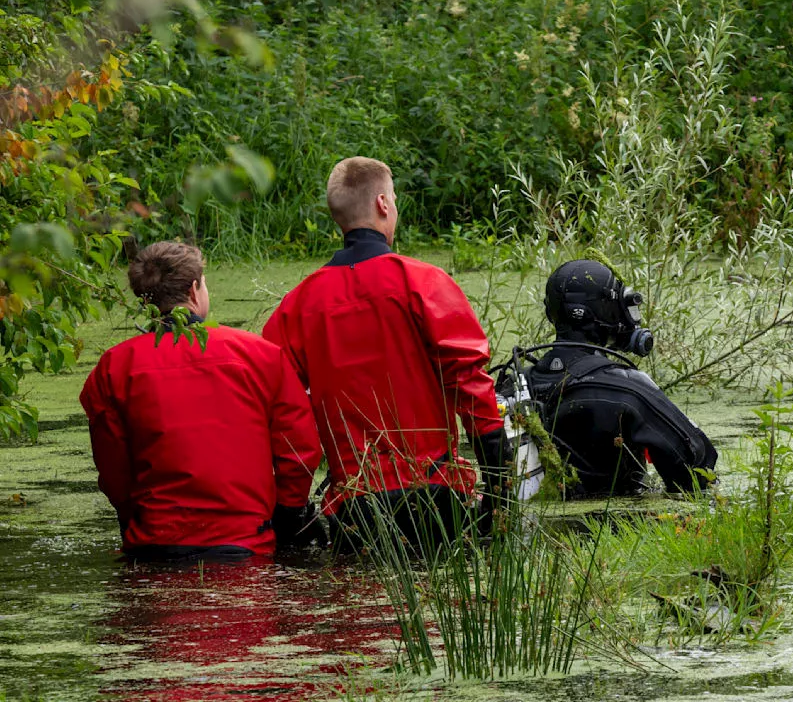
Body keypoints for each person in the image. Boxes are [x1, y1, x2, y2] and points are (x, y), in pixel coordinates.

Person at [262, 157, 508, 551]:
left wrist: (290, 511)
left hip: (354, 509)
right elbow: (471, 385)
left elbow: (284, 415)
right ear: (382, 204)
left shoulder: (298, 306)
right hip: (436, 497)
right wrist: (500, 489)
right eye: (393, 198)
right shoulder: (423, 282)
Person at [80, 242, 325, 562]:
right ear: (195, 290)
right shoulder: (261, 356)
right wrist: (289, 515)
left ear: (144, 301)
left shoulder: (113, 369)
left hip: (155, 545)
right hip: (243, 544)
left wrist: (132, 519)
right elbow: (299, 451)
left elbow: (114, 471)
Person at [500, 259, 717, 497]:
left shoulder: (514, 387)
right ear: (607, 310)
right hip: (617, 527)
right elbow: (696, 471)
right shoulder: (625, 389)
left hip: (528, 528)